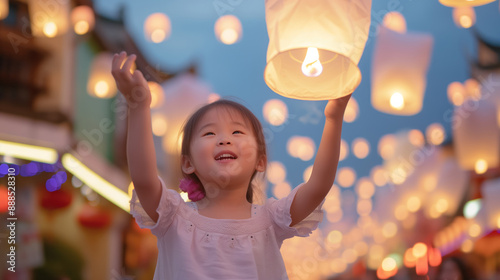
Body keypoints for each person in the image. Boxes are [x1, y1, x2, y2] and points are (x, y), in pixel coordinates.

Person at [111, 51, 350, 279]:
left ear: (260, 161)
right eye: (209, 133)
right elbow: (143, 179)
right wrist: (138, 104)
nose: (224, 139)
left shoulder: (271, 220)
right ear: (187, 163)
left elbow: (318, 185)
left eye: (237, 131)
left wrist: (334, 116)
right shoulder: (174, 217)